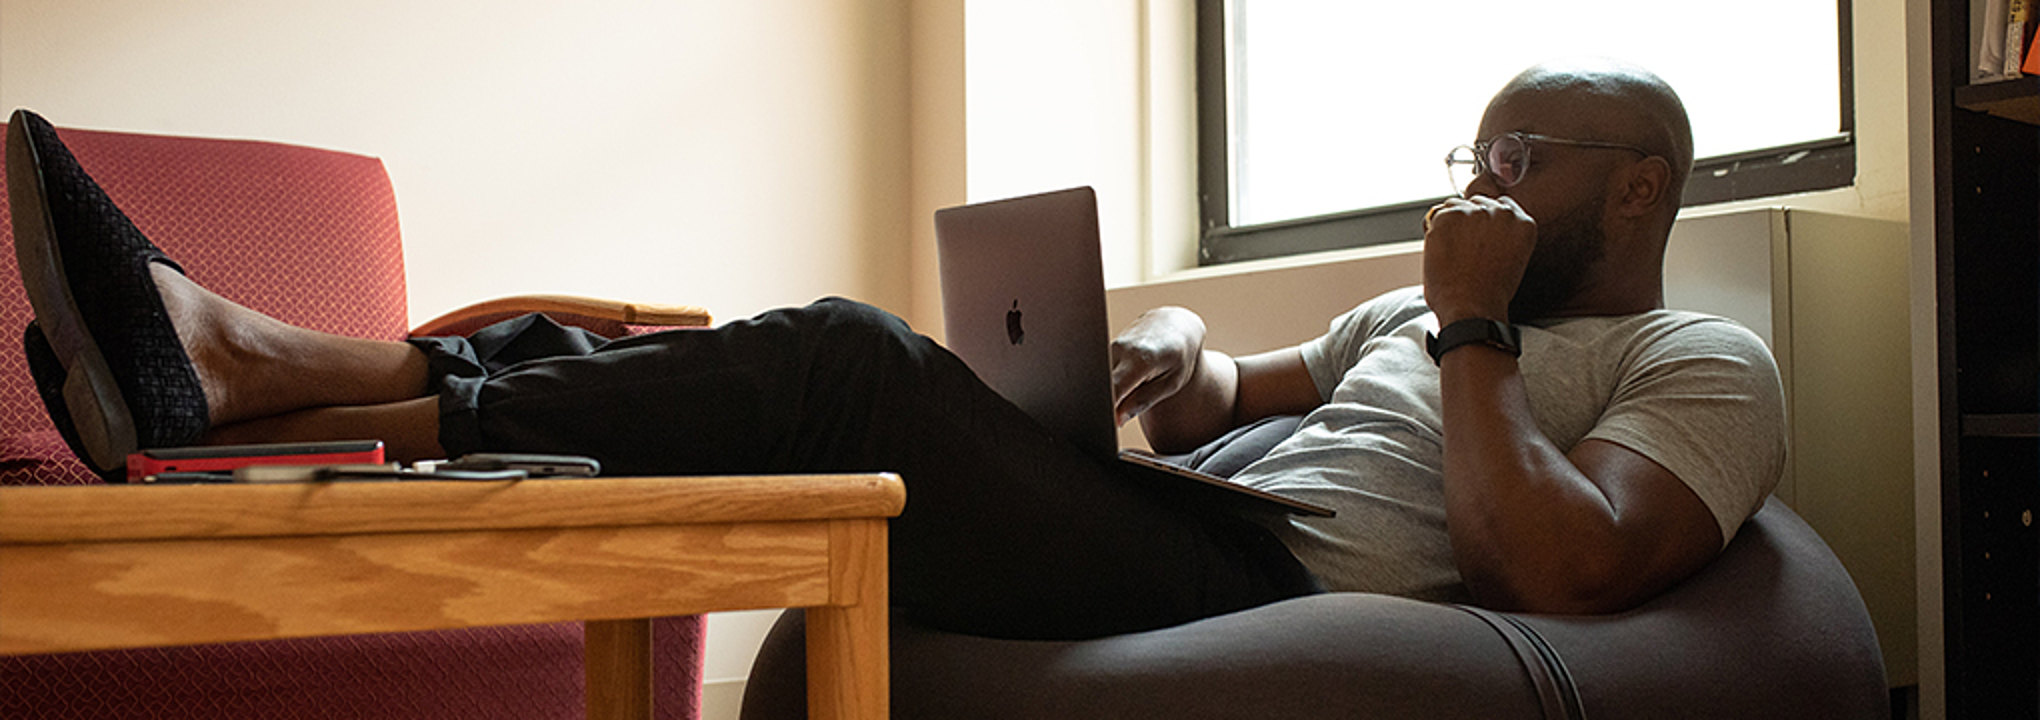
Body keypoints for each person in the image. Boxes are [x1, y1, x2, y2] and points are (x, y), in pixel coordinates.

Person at [7, 59, 1782, 642]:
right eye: (1473, 157)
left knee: (843, 362)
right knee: (700, 364)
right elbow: (1243, 397)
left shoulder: (1701, 367)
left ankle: (249, 372)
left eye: (1519, 164)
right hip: (1185, 511)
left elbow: (1552, 565)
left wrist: (1469, 319)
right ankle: (254, 382)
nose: (1478, 188)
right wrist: (1170, 349)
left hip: (1254, 585)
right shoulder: (1405, 316)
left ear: (1638, 194)